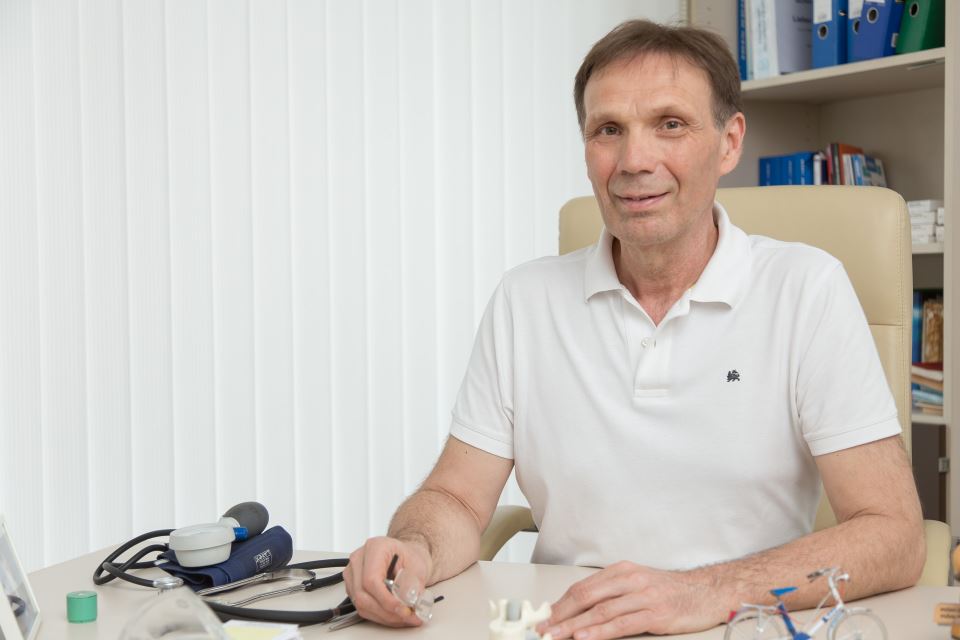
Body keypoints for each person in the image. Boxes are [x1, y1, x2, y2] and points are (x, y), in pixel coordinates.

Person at [344, 19, 924, 639]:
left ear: (729, 143)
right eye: (608, 130)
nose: (634, 161)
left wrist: (702, 591)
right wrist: (413, 549)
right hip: (571, 625)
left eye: (670, 124)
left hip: (737, 623)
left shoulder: (805, 288)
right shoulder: (525, 299)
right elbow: (458, 499)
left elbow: (893, 533)